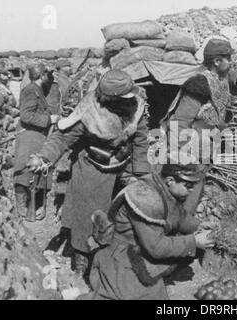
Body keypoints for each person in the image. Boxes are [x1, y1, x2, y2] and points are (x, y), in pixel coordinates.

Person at [27, 70, 150, 276]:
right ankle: (82, 255)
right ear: (111, 99)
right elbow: (63, 138)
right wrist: (44, 157)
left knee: (129, 211)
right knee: (88, 214)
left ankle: (117, 255)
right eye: (124, 98)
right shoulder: (89, 110)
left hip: (124, 163)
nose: (130, 101)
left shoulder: (136, 107)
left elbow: (140, 141)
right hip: (93, 165)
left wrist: (140, 173)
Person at [81, 162, 215, 300]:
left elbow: (178, 216)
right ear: (170, 181)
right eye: (188, 185)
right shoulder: (146, 199)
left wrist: (198, 226)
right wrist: (193, 241)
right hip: (121, 257)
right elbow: (156, 248)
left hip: (139, 249)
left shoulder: (161, 186)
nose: (192, 189)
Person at [161, 38, 234, 216]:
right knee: (175, 200)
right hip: (188, 152)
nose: (231, 63)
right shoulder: (200, 83)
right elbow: (180, 121)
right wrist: (177, 158)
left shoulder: (221, 80)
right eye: (228, 59)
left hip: (204, 150)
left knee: (190, 200)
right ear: (217, 61)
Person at [13, 64, 60, 220]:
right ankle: (22, 205)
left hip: (38, 134)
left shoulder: (37, 89)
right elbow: (26, 115)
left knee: (40, 168)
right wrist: (48, 120)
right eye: (47, 75)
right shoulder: (30, 90)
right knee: (24, 169)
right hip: (29, 135)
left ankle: (35, 205)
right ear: (41, 76)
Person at [0, 67, 18, 136]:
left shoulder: (6, 86)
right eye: (4, 74)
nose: (6, 76)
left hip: (10, 114)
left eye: (6, 74)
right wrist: (11, 110)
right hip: (3, 117)